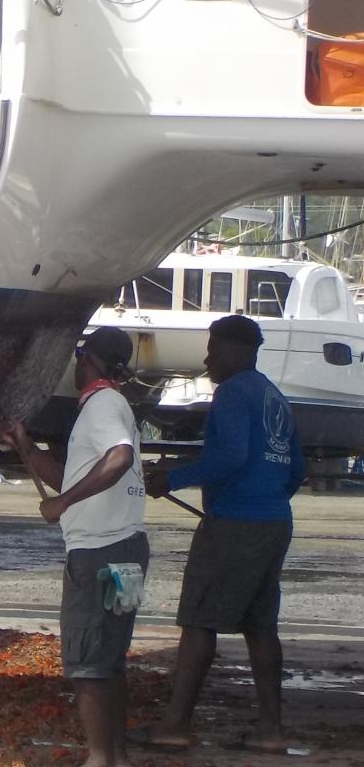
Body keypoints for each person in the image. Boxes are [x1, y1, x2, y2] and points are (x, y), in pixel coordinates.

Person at [131, 314, 306, 755]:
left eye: (213, 348)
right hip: (274, 521)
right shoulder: (274, 396)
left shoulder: (231, 393)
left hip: (236, 524)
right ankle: (271, 729)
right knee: (261, 625)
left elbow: (230, 455)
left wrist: (171, 479)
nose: (208, 359)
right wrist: (263, 496)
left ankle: (174, 725)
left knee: (199, 621)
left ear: (235, 350)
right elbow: (296, 470)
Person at [6, 326, 148, 767]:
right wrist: (27, 448)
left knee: (87, 663)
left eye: (79, 358)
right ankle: (116, 757)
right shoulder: (112, 405)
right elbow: (70, 475)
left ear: (89, 361)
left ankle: (100, 759)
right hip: (126, 549)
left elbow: (119, 457)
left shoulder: (103, 404)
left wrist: (63, 503)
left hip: (101, 555)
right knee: (109, 660)